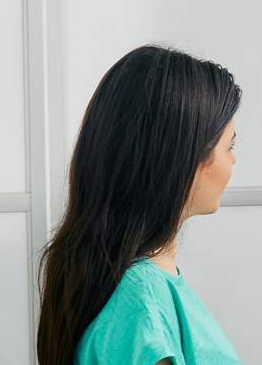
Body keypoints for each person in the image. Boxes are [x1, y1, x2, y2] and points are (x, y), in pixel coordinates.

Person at [36, 45, 243, 365]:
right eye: (228, 145)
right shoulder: (141, 301)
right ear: (183, 157)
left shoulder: (132, 279)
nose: (233, 159)